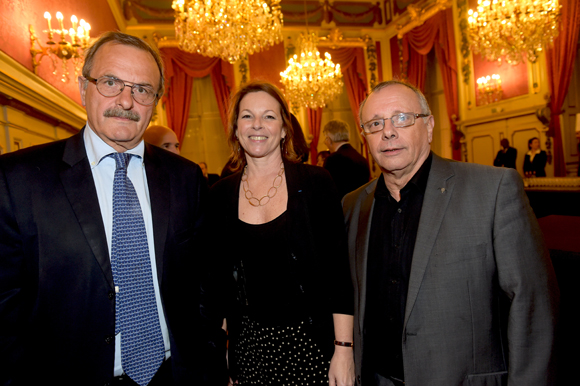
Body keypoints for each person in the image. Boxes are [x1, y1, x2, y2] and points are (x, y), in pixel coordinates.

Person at [0, 32, 225, 385]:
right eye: (110, 82)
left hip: (175, 376)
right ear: (83, 87)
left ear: (155, 101)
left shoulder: (185, 178)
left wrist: (209, 357)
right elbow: (5, 306)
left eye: (142, 89)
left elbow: (205, 282)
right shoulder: (18, 180)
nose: (126, 100)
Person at [342, 80, 558, 386]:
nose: (388, 131)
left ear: (429, 126)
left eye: (402, 118)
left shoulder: (492, 191)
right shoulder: (352, 205)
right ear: (364, 136)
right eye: (375, 123)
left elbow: (532, 305)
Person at [205, 81, 354, 386]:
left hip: (311, 345)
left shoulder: (316, 183)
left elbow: (338, 275)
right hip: (248, 350)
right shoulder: (219, 194)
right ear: (235, 129)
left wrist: (344, 351)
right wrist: (222, 357)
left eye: (269, 116)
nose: (257, 125)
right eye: (247, 116)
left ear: (285, 129)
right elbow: (217, 285)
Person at [323, 119, 370, 198]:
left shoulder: (332, 159)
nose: (325, 142)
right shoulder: (360, 158)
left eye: (325, 139)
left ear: (329, 140)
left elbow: (328, 191)